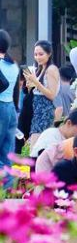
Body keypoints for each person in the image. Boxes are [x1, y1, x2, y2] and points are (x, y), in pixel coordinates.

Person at [23, 40, 60, 146]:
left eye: (41, 54)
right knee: (36, 145)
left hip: (45, 110)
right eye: (35, 54)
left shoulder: (51, 69)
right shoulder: (40, 69)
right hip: (37, 110)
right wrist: (30, 85)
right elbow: (38, 90)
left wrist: (36, 82)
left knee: (37, 145)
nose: (37, 57)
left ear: (49, 54)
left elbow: (52, 95)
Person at [0, 29, 20, 173]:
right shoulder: (13, 64)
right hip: (10, 108)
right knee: (7, 154)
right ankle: (7, 185)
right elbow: (16, 91)